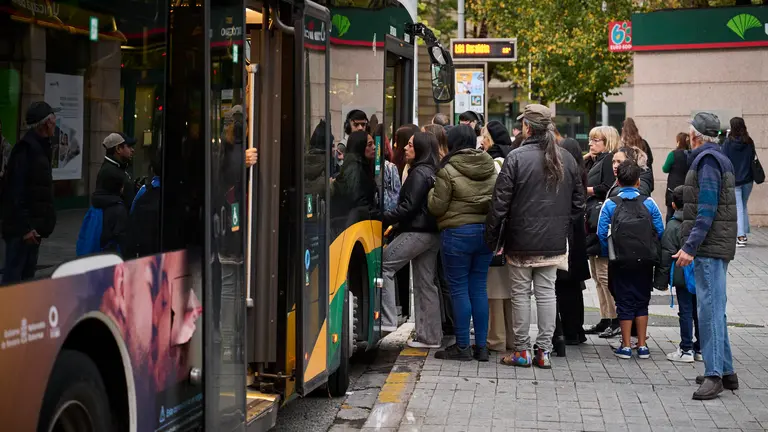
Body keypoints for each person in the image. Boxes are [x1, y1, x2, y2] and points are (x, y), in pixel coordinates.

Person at [486, 104, 584, 369]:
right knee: (546, 293)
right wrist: (562, 225)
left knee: (520, 294)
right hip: (553, 240)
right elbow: (579, 204)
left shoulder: (516, 158)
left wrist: (492, 237)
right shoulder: (566, 157)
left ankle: (522, 350)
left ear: (527, 127)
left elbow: (499, 204)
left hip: (520, 239)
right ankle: (544, 351)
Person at [674, 112, 738, 400]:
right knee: (716, 308)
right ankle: (725, 371)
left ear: (695, 135)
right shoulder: (716, 157)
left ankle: (714, 376)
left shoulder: (707, 161)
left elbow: (707, 208)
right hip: (715, 246)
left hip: (710, 247)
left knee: (709, 310)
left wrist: (690, 246)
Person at [428, 125, 497, 361]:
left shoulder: (447, 169)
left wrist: (430, 192)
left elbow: (437, 206)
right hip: (485, 233)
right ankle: (482, 348)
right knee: (478, 288)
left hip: (457, 234)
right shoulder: (489, 165)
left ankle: (463, 347)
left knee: (458, 289)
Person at [381, 132, 442, 348]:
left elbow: (408, 207)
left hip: (417, 232)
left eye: (410, 145)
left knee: (384, 265)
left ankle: (387, 321)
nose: (405, 148)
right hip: (432, 233)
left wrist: (382, 216)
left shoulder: (419, 173)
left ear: (421, 149)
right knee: (426, 284)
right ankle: (430, 337)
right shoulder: (432, 170)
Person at [598, 161, 664, 360]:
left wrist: (609, 254)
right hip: (644, 261)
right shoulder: (649, 203)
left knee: (623, 302)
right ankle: (642, 345)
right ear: (638, 182)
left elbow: (601, 233)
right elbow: (660, 230)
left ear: (617, 181)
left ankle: (625, 346)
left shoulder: (610, 203)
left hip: (619, 261)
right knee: (642, 301)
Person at [1, 102, 59, 283]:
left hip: (34, 230)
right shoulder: (25, 150)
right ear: (45, 124)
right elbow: (15, 193)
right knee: (14, 282)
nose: (55, 124)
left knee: (26, 282)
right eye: (52, 120)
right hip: (22, 232)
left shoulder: (41, 148)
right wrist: (26, 229)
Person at [552, 124, 591, 350]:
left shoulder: (564, 173)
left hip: (567, 234)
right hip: (578, 236)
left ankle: (566, 330)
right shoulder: (581, 173)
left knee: (562, 286)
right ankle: (577, 329)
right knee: (575, 287)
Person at [655, 185, 701, 363]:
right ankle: (701, 348)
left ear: (673, 205)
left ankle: (686, 348)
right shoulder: (699, 224)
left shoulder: (673, 226)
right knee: (699, 311)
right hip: (699, 272)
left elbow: (666, 255)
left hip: (682, 274)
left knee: (686, 311)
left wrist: (660, 281)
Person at [481, 121, 514, 353]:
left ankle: (496, 340)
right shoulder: (515, 157)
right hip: (515, 232)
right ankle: (513, 338)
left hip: (497, 231)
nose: (481, 140)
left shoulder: (491, 161)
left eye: (484, 136)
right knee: (512, 290)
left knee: (493, 289)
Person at [583, 126, 620, 337]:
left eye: (596, 140)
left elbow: (607, 186)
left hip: (601, 220)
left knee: (604, 275)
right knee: (597, 275)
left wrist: (584, 189)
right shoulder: (595, 159)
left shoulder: (609, 159)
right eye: (590, 140)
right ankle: (606, 317)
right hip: (592, 219)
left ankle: (614, 318)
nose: (591, 143)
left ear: (608, 141)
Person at [722, 117, 755, 247]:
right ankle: (744, 232)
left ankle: (741, 236)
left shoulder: (727, 143)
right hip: (748, 179)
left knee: (739, 207)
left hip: (734, 180)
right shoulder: (749, 141)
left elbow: (724, 160)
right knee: (743, 205)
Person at [95, 132, 137, 213]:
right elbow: (129, 203)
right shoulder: (112, 172)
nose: (132, 150)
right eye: (128, 146)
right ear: (118, 149)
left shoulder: (116, 167)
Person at [662, 132, 691, 221]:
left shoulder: (673, 154)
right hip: (687, 189)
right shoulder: (691, 155)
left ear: (678, 141)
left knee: (670, 214)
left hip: (672, 190)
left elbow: (665, 169)